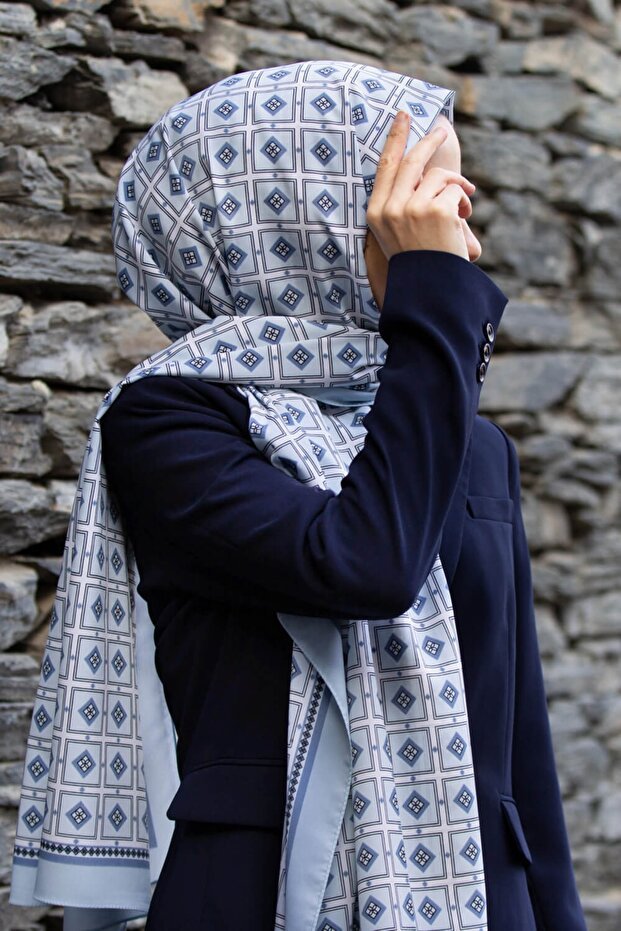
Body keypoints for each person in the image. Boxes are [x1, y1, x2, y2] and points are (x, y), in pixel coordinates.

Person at [10, 61, 587, 931]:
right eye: (422, 196)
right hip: (251, 895)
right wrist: (431, 302)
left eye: (450, 200)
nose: (458, 228)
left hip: (480, 898)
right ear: (300, 213)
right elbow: (365, 563)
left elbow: (517, 745)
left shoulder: (470, 444)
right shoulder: (171, 420)